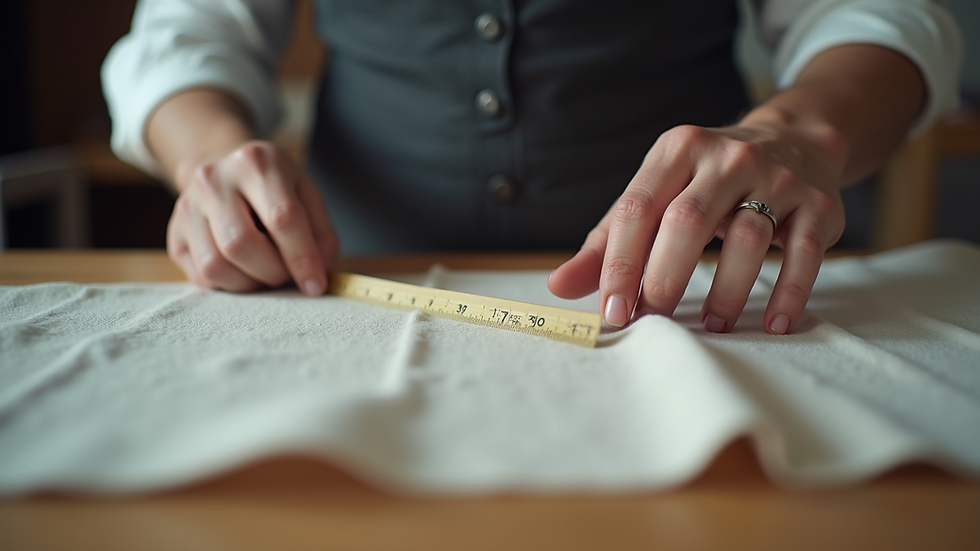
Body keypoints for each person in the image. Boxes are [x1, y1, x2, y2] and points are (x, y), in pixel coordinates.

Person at [103, 0, 961, 334]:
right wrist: (209, 155)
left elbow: (880, 14)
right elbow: (187, 33)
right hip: (338, 294)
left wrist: (802, 128)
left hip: (710, 303)